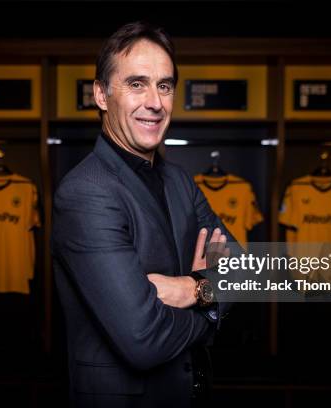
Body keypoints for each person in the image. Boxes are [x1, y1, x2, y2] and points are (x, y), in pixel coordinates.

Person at [51, 21, 238, 407]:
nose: (155, 101)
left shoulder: (179, 181)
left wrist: (189, 289)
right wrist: (209, 302)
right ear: (101, 95)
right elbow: (142, 340)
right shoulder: (86, 192)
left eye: (164, 85)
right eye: (136, 84)